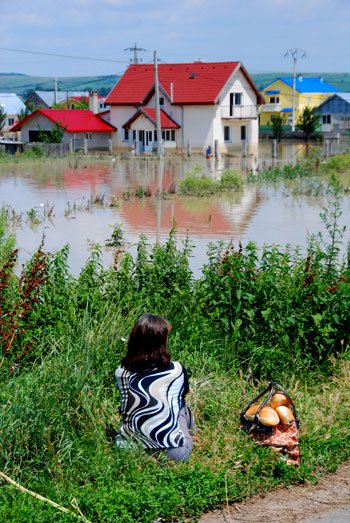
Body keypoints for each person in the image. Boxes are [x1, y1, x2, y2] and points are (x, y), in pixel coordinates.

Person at [115, 313, 196, 462]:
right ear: (160, 342)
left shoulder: (121, 372)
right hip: (173, 454)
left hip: (129, 451)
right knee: (182, 405)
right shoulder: (177, 370)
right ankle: (192, 434)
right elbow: (182, 395)